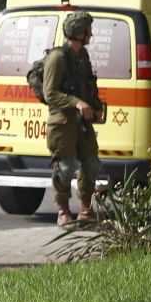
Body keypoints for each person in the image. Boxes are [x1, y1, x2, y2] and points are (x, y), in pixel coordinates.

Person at [40, 12, 106, 225]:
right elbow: (50, 93)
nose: (91, 34)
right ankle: (63, 211)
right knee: (66, 168)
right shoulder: (57, 58)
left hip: (82, 123)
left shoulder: (82, 56)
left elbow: (88, 84)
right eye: (88, 30)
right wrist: (76, 103)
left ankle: (85, 209)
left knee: (92, 164)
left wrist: (95, 107)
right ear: (79, 33)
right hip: (62, 124)